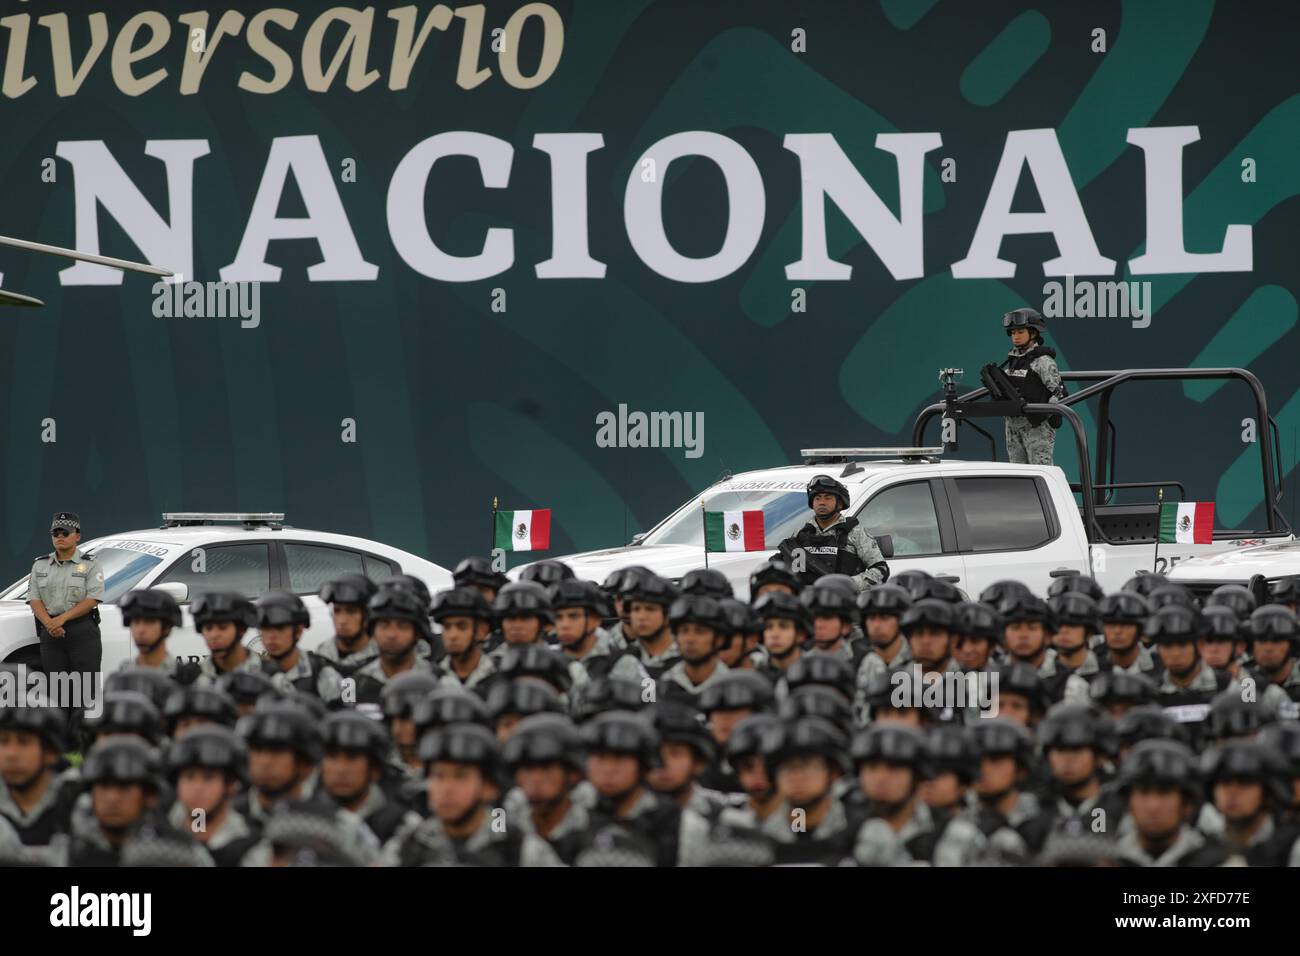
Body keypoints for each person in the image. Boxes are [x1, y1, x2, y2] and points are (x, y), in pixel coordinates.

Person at [384, 722, 561, 866]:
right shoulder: (410, 845)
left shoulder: (519, 849)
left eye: (460, 777)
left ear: (489, 787)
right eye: (438, 776)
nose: (447, 789)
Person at [28, 512, 104, 740]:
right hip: (51, 633)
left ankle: (86, 741)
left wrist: (61, 620)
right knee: (57, 691)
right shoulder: (40, 564)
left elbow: (93, 599)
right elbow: (34, 599)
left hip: (82, 631)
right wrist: (50, 623)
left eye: (65, 533)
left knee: (86, 691)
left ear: (77, 536)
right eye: (55, 533)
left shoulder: (91, 564)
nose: (59, 537)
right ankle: (62, 743)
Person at [165, 725, 260, 866]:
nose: (197, 788)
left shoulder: (253, 844)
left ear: (231, 785)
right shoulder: (158, 834)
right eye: (189, 777)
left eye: (209, 778)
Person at [777, 475, 888, 590]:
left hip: (842, 600)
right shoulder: (800, 533)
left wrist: (848, 584)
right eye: (817, 498)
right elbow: (781, 564)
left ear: (839, 504)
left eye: (828, 498)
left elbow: (881, 570)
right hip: (805, 600)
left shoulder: (855, 533)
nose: (822, 502)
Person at [997, 307, 1064, 465]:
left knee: (1041, 472)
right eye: (1013, 333)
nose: (1016, 337)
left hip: (1036, 429)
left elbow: (1060, 392)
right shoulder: (1013, 360)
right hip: (1013, 427)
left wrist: (1044, 414)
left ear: (1033, 333)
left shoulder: (1042, 361)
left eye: (1020, 332)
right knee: (1018, 477)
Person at [255, 592, 344, 705]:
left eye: (280, 628)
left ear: (298, 631)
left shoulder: (323, 675)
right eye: (265, 628)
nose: (271, 637)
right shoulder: (253, 676)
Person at [117, 588, 199, 684]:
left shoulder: (186, 680)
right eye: (136, 622)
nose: (140, 630)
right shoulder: (121, 678)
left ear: (166, 628)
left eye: (149, 622)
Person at [315, 574, 379, 675]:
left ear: (367, 615)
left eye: (351, 611)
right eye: (337, 611)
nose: (342, 620)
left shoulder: (383, 657)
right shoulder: (322, 654)